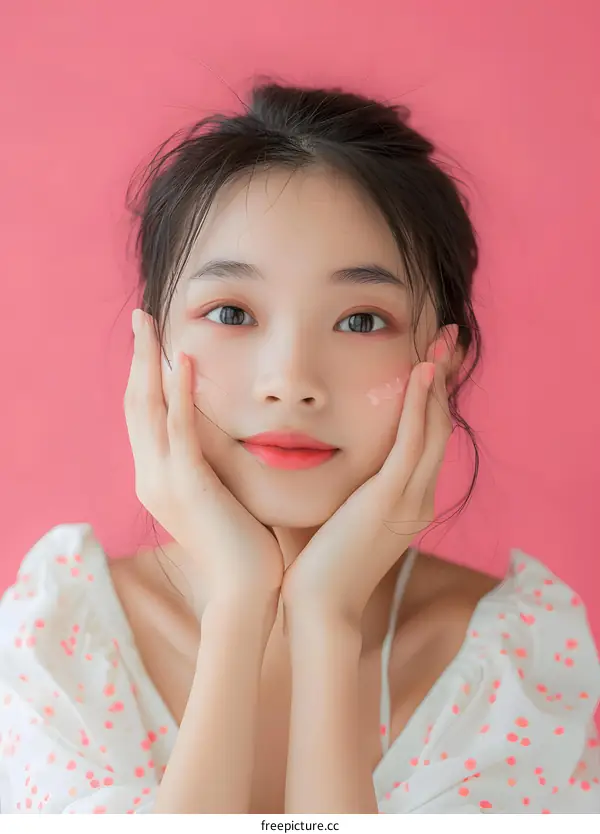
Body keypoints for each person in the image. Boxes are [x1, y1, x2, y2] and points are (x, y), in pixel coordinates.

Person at [1, 81, 599, 815]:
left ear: (444, 362)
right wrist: (238, 606)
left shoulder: (511, 666)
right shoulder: (59, 644)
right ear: (150, 348)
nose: (290, 382)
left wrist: (324, 621)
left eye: (360, 321)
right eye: (231, 312)